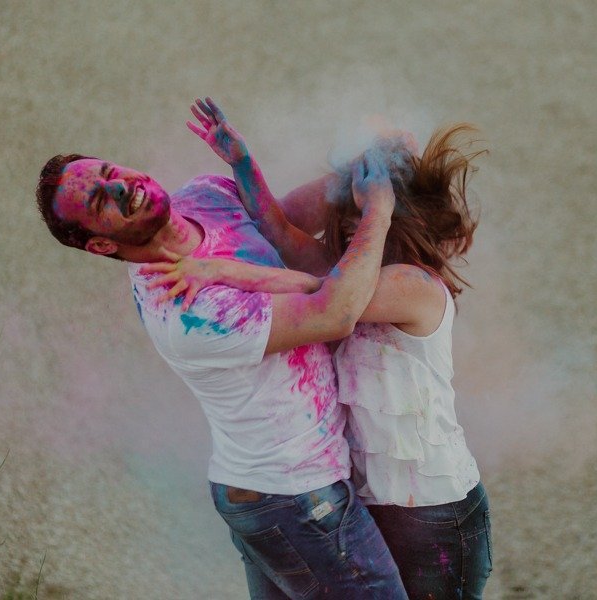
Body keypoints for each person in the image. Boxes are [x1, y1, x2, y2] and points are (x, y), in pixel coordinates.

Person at [34, 98, 408, 599]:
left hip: (279, 494)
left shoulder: (202, 194)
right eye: (102, 199)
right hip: (295, 497)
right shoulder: (185, 310)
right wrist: (378, 212)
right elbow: (335, 312)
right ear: (101, 245)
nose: (122, 187)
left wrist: (367, 164)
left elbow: (284, 220)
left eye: (109, 171)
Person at [145, 100, 492, 599]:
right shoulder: (350, 271)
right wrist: (242, 163)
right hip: (376, 503)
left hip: (435, 513)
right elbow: (281, 234)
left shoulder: (415, 286)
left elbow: (320, 296)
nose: (350, 234)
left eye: (361, 224)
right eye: (347, 225)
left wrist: (220, 270)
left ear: (399, 221)